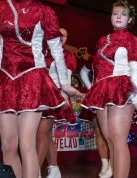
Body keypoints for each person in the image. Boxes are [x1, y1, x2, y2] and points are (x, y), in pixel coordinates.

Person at [0, 0, 76, 178]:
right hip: (5, 79)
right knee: (9, 144)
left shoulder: (45, 11)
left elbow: (56, 49)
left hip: (33, 76)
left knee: (27, 143)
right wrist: (0, 56)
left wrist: (64, 83)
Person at [81, 0, 137, 178]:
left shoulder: (132, 39)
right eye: (115, 13)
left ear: (130, 19)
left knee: (119, 141)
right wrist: (93, 90)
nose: (118, 16)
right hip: (102, 90)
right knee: (110, 140)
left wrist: (135, 98)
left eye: (123, 14)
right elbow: (95, 70)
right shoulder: (102, 40)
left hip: (122, 88)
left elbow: (135, 69)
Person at [37, 27, 82, 178]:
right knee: (46, 134)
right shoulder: (43, 52)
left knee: (42, 132)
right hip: (40, 96)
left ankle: (33, 170)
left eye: (65, 35)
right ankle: (54, 169)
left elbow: (66, 80)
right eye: (59, 34)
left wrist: (63, 96)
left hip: (56, 97)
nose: (62, 36)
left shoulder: (67, 55)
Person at [80, 56, 112, 178]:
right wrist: (92, 89)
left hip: (112, 97)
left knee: (111, 133)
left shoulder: (117, 55)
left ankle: (112, 163)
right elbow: (83, 72)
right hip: (98, 98)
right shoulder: (95, 58)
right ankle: (105, 163)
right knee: (99, 131)